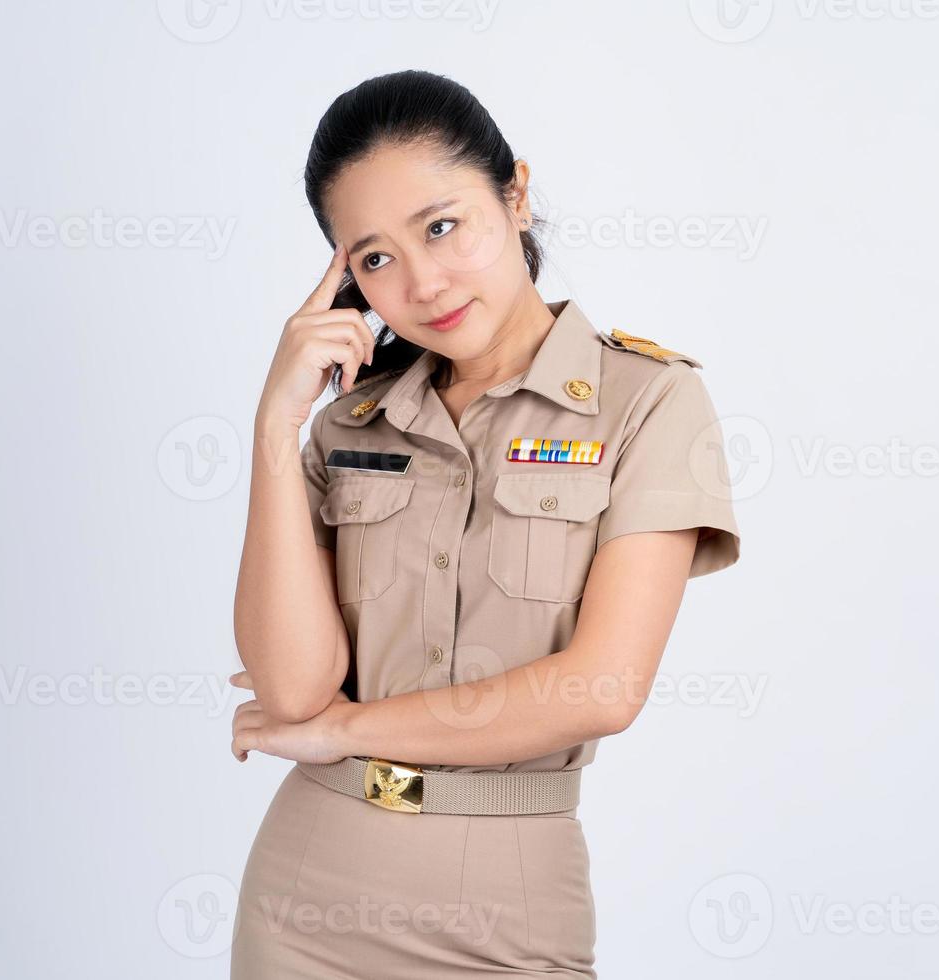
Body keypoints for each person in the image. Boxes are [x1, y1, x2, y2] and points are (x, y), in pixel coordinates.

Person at [227, 69, 741, 978]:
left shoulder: (647, 402)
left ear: (516, 194)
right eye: (375, 258)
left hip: (506, 911)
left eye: (442, 225)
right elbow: (295, 691)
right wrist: (275, 423)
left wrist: (346, 731)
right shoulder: (349, 425)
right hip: (305, 895)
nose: (422, 282)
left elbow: (600, 690)